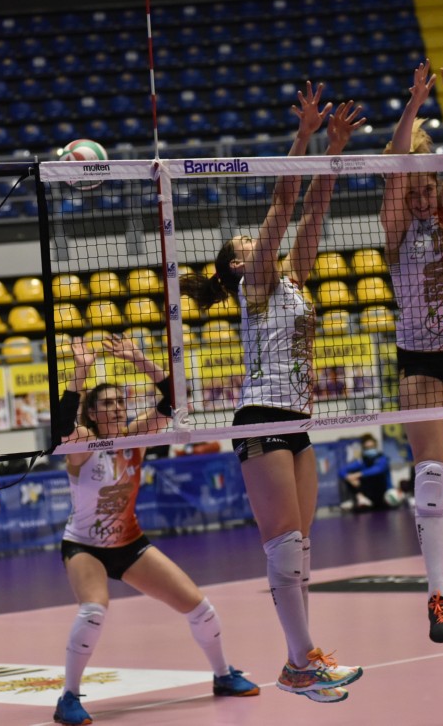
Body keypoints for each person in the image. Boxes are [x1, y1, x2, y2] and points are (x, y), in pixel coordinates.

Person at [180, 84, 365, 703]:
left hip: (296, 418)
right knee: (284, 545)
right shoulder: (254, 284)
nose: (258, 245)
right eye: (248, 245)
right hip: (260, 416)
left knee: (301, 549)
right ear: (239, 265)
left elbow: (312, 213)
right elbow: (285, 204)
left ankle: (297, 663)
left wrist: (333, 154)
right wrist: (303, 138)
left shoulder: (293, 282)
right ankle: (302, 662)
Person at [52, 335, 259, 726]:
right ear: (92, 413)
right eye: (106, 403)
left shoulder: (138, 437)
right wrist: (81, 370)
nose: (116, 407)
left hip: (130, 543)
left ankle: (222, 674)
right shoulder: (82, 444)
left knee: (201, 609)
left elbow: (176, 401)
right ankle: (69, 696)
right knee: (94, 609)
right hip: (84, 547)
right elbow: (62, 426)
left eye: (120, 401)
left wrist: (140, 360)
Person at [380, 45, 443, 641]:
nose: (420, 199)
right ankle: (438, 596)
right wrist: (414, 106)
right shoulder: (396, 227)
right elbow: (397, 171)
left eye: (426, 189)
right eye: (412, 190)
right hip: (418, 358)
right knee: (431, 476)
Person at [337, 433, 396, 511]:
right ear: (363, 448)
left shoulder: (382, 459)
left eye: (372, 447)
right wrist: (348, 477)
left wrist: (359, 474)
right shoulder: (361, 461)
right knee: (350, 478)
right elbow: (341, 470)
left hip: (383, 494)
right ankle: (360, 499)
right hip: (368, 494)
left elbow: (378, 469)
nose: (370, 450)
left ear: (376, 446)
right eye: (367, 448)